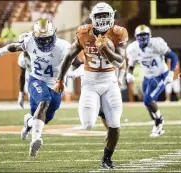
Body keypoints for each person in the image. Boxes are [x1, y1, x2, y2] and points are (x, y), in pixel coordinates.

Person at [54, 2, 128, 169]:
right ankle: (101, 109)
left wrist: (106, 50)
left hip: (109, 80)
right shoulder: (83, 33)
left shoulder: (118, 32)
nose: (102, 19)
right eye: (99, 16)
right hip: (90, 80)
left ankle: (107, 158)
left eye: (105, 15)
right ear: (92, 18)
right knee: (87, 124)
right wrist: (60, 79)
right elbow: (69, 56)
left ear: (112, 16)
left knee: (115, 124)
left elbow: (120, 60)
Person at [0, 19, 72, 158]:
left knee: (46, 118)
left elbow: (77, 58)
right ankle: (36, 138)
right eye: (41, 40)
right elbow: (14, 47)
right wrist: (1, 51)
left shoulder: (63, 46)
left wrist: (82, 69)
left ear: (54, 34)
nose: (45, 43)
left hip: (54, 84)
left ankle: (28, 121)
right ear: (35, 37)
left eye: (47, 39)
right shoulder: (29, 42)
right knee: (44, 101)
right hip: (36, 79)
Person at [126, 25, 178, 137]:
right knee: (147, 103)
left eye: (145, 35)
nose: (143, 38)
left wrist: (171, 72)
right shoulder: (133, 48)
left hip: (160, 75)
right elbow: (131, 64)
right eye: (140, 36)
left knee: (148, 100)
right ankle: (157, 123)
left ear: (150, 36)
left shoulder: (157, 44)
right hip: (147, 76)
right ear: (136, 37)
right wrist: (129, 73)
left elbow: (173, 56)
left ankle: (159, 121)